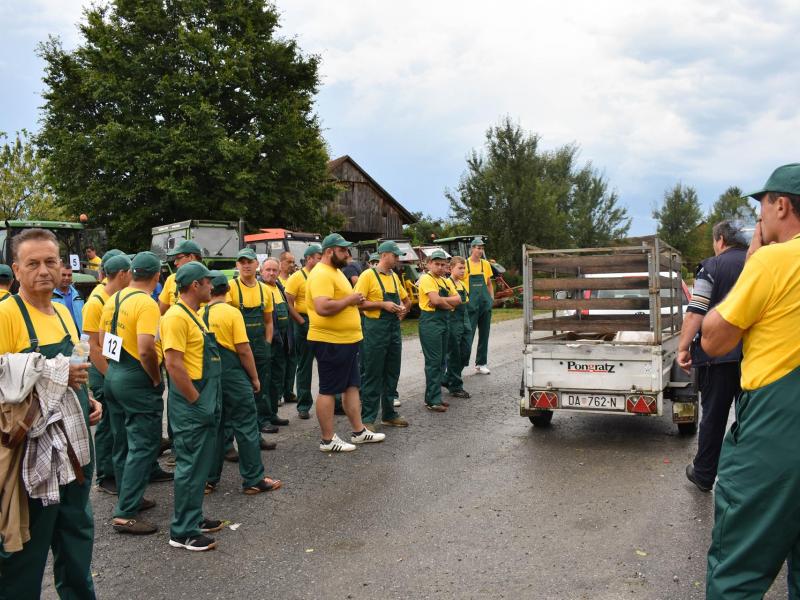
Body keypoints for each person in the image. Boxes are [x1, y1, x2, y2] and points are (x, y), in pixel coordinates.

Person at [701, 164, 800, 597]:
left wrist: (755, 262)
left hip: (779, 432)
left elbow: (715, 338)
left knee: (738, 569)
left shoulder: (775, 261)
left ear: (781, 205)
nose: (757, 216)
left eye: (761, 204)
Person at [0, 228, 102, 599]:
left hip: (74, 450)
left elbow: (74, 370)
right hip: (32, 452)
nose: (44, 270)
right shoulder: (6, 315)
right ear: (16, 269)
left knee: (77, 537)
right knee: (25, 550)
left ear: (62, 265)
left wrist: (88, 401)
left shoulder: (62, 310)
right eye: (33, 263)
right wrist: (49, 372)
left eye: (50, 261)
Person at [677, 220, 747, 493]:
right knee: (749, 418)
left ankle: (704, 473)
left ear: (720, 240)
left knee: (713, 418)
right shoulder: (760, 263)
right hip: (752, 357)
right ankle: (744, 477)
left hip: (715, 357)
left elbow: (696, 310)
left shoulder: (712, 267)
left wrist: (683, 347)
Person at [101, 251, 168, 535]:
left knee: (123, 441)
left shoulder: (114, 298)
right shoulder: (147, 303)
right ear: (156, 276)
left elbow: (105, 341)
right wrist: (154, 378)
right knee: (144, 443)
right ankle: (125, 513)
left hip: (114, 373)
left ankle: (130, 496)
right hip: (136, 378)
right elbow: (145, 349)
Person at [160, 261, 224, 552]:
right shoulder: (176, 317)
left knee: (199, 466)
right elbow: (173, 364)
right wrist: (196, 401)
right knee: (189, 466)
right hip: (192, 403)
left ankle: (194, 517)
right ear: (195, 285)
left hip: (204, 397)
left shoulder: (194, 314)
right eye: (207, 282)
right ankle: (183, 531)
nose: (212, 286)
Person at [201, 271, 282, 495]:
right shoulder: (231, 312)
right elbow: (244, 350)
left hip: (210, 377)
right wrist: (255, 377)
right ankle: (253, 479)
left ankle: (208, 480)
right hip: (234, 376)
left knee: (215, 428)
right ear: (227, 290)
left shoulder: (198, 313)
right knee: (246, 424)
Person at [306, 233, 386, 451]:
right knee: (328, 389)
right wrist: (350, 299)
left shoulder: (335, 271)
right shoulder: (322, 274)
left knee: (351, 386)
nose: (347, 254)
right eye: (343, 250)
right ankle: (327, 439)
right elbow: (322, 307)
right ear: (330, 251)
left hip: (347, 341)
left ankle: (359, 431)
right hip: (331, 341)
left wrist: (352, 300)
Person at [82, 251, 132, 495]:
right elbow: (92, 346)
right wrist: (111, 376)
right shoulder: (96, 302)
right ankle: (105, 475)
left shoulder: (119, 298)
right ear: (121, 274)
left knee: (119, 423)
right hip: (104, 374)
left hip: (116, 370)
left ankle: (121, 471)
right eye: (131, 272)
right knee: (106, 424)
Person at [354, 241, 411, 429]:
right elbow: (358, 303)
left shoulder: (394, 276)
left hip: (393, 329)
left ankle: (388, 414)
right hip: (375, 329)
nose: (397, 260)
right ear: (384, 254)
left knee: (392, 371)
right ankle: (368, 419)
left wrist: (404, 310)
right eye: (395, 256)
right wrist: (382, 304)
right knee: (373, 373)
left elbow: (406, 299)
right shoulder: (367, 275)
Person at [228, 248, 281, 433]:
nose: (246, 265)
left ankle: (263, 420)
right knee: (239, 388)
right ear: (237, 265)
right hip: (237, 346)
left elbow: (268, 321)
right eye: (242, 262)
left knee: (262, 384)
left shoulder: (265, 290)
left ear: (256, 264)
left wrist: (267, 344)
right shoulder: (230, 287)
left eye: (249, 261)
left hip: (259, 345)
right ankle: (243, 425)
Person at [417, 250, 462, 412]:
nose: (440, 267)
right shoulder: (426, 279)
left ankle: (435, 397)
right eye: (436, 264)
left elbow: (458, 299)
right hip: (431, 323)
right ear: (429, 264)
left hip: (444, 321)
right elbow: (435, 300)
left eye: (443, 264)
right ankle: (432, 400)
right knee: (434, 362)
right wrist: (447, 303)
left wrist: (444, 302)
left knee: (442, 361)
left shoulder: (445, 281)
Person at [284, 244, 322, 419]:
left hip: (321, 321)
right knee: (305, 364)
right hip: (304, 321)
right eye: (318, 257)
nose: (321, 260)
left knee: (326, 363)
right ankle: (304, 405)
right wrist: (300, 321)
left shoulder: (322, 275)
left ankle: (333, 402)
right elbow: (288, 302)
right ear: (309, 259)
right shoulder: (297, 278)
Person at [261, 258, 304, 414]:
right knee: (266, 380)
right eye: (268, 270)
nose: (271, 273)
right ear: (261, 271)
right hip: (269, 341)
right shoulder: (260, 288)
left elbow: (287, 307)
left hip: (282, 340)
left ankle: (272, 414)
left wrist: (300, 321)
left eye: (274, 270)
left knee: (276, 379)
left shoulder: (278, 287)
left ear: (279, 273)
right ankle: (264, 418)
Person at [443, 256, 472, 399]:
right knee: (454, 354)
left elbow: (466, 303)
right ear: (451, 268)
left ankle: (447, 378)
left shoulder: (462, 284)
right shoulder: (446, 284)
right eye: (460, 268)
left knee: (465, 352)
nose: (463, 270)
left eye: (464, 267)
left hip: (464, 320)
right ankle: (455, 386)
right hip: (453, 321)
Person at [465, 237, 494, 374]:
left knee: (484, 334)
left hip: (484, 305)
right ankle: (460, 364)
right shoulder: (465, 265)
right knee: (467, 336)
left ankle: (481, 363)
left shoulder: (485, 264)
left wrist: (491, 300)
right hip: (470, 305)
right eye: (478, 248)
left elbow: (488, 284)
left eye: (482, 248)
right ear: (472, 249)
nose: (480, 250)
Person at [158, 240, 203, 315]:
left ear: (191, 257)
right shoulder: (171, 279)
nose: (175, 263)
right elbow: (160, 311)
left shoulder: (208, 280)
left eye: (178, 258)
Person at [278, 251, 298, 404]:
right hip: (280, 324)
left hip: (293, 322)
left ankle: (289, 391)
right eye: (289, 262)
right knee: (281, 358)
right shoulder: (276, 281)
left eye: (293, 262)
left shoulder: (294, 279)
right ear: (281, 262)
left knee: (293, 358)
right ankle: (278, 393)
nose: (292, 265)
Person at [52, 265, 84, 332]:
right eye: (63, 275)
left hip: (79, 336)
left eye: (69, 275)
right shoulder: (49, 297)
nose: (67, 278)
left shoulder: (78, 295)